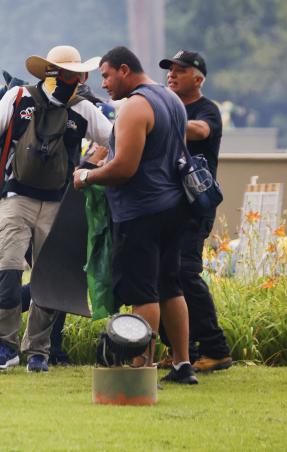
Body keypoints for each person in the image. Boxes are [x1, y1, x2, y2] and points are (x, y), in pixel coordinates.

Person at [0, 45, 112, 372]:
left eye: (77, 73)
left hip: (59, 203)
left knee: (49, 278)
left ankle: (39, 350)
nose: (76, 78)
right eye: (70, 72)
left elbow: (116, 138)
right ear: (52, 72)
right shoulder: (18, 97)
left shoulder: (85, 109)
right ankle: (4, 347)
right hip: (15, 198)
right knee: (7, 271)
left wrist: (91, 167)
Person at [72, 45, 197, 384]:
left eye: (107, 76)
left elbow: (125, 168)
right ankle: (183, 364)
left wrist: (86, 175)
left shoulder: (135, 107)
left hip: (141, 211)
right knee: (171, 287)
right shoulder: (171, 100)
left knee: (144, 293)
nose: (106, 84)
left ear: (125, 70)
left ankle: (142, 365)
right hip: (173, 207)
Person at [158, 50, 232, 372]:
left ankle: (216, 350)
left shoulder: (206, 110)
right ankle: (182, 352)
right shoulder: (165, 105)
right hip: (165, 204)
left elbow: (201, 131)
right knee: (162, 275)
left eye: (180, 70)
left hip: (194, 207)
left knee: (185, 272)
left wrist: (160, 120)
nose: (171, 74)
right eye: (170, 69)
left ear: (198, 78)